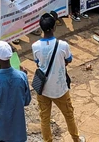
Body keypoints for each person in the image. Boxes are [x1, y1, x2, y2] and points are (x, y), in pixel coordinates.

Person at [31, 12, 82, 142]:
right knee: (69, 115)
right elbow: (68, 59)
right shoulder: (63, 45)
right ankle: (76, 139)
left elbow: (38, 63)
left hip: (43, 88)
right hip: (60, 88)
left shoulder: (35, 46)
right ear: (54, 27)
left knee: (45, 118)